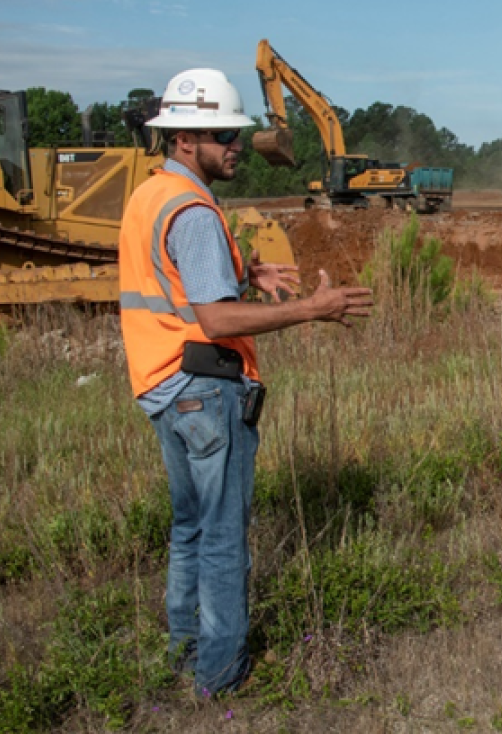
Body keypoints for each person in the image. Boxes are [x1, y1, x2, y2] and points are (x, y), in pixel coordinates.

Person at [118, 68, 374, 696]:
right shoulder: (195, 212)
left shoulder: (152, 194)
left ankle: (183, 656)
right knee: (225, 538)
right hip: (204, 390)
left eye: (236, 132)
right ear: (183, 139)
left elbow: (174, 281)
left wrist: (243, 271)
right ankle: (222, 677)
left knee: (191, 528)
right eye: (223, 134)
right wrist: (311, 310)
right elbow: (215, 318)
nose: (238, 144)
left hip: (161, 384)